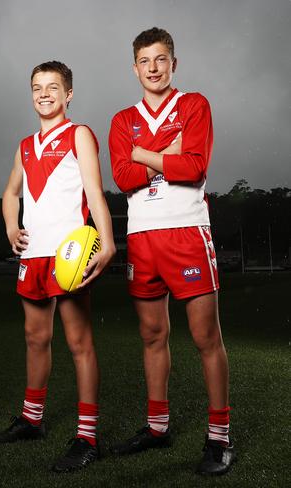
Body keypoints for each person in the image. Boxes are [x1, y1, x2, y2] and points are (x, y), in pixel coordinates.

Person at [108, 27, 235, 476]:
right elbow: (123, 178)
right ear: (135, 67)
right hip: (143, 237)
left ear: (174, 63)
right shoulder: (124, 120)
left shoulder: (194, 105)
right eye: (145, 61)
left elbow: (195, 165)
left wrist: (143, 154)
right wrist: (163, 153)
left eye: (161, 59)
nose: (154, 68)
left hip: (186, 233)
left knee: (205, 338)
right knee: (152, 336)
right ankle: (156, 426)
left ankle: (219, 437)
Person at [0, 61, 115, 473]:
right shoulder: (25, 145)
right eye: (37, 87)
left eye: (53, 87)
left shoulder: (79, 134)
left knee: (79, 342)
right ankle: (32, 420)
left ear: (68, 94)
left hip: (69, 255)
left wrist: (108, 240)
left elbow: (95, 193)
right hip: (34, 254)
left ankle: (87, 436)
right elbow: (10, 194)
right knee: (34, 337)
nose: (44, 94)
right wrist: (11, 227)